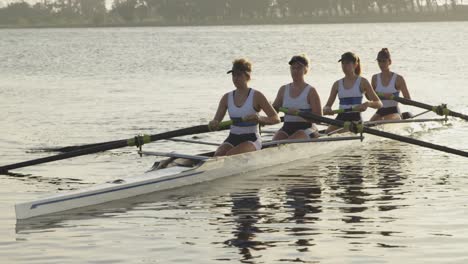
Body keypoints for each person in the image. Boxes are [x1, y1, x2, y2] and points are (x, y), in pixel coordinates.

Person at [209, 58, 280, 156]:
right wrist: (213, 124)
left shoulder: (257, 96)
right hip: (232, 138)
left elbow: (276, 119)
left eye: (239, 75)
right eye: (233, 75)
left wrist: (259, 118)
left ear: (247, 77)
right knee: (218, 155)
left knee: (231, 155)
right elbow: (216, 122)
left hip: (251, 139)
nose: (235, 78)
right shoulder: (226, 97)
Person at [323, 52, 382, 133]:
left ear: (355, 64)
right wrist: (327, 109)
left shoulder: (362, 82)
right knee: (327, 133)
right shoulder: (337, 84)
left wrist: (368, 104)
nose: (344, 66)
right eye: (343, 63)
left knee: (342, 132)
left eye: (347, 63)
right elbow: (327, 106)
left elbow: (379, 103)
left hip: (355, 119)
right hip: (340, 117)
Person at [272, 54, 322, 140]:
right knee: (274, 143)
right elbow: (273, 112)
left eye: (299, 68)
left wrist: (299, 113)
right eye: (293, 68)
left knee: (289, 142)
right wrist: (265, 106)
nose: (295, 71)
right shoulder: (283, 89)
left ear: (305, 70)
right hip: (287, 127)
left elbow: (319, 119)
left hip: (306, 128)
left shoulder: (311, 91)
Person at [370, 48, 411, 121]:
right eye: (379, 61)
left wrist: (393, 97)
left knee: (384, 120)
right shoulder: (375, 78)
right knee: (367, 125)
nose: (381, 64)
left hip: (394, 111)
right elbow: (371, 98)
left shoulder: (398, 79)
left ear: (390, 62)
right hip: (380, 111)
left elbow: (408, 100)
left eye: (384, 61)